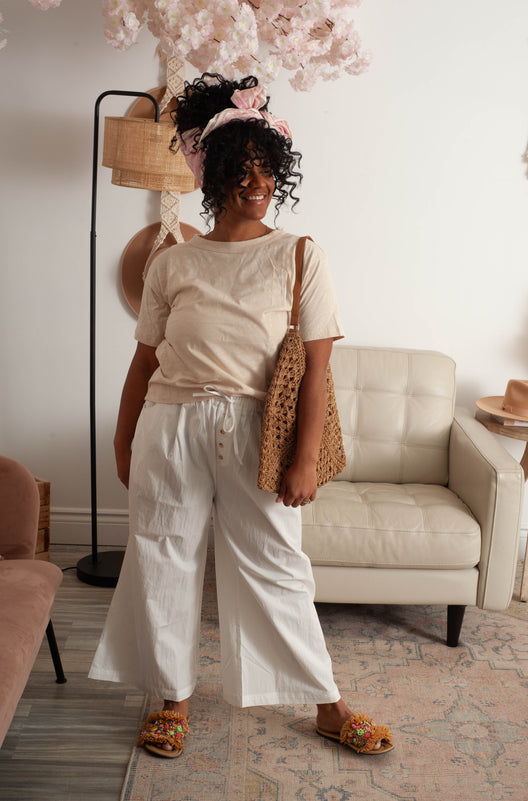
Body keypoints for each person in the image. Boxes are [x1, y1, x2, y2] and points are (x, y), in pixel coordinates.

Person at [89, 73, 393, 758]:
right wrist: (122, 440)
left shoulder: (299, 255)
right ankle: (172, 699)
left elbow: (314, 369)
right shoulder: (174, 263)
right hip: (170, 425)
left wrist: (304, 459)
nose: (256, 182)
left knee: (277, 564)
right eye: (241, 167)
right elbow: (142, 364)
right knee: (162, 557)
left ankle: (328, 704)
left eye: (265, 167)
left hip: (256, 432)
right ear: (214, 173)